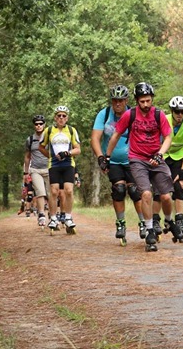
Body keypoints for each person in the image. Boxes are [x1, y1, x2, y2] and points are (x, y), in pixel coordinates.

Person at [102, 82, 173, 252]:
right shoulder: (130, 115)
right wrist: (107, 156)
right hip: (137, 159)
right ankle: (149, 230)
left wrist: (160, 154)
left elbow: (168, 137)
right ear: (136, 101)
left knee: (166, 197)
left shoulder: (158, 115)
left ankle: (169, 220)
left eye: (148, 101)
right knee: (145, 193)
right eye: (142, 102)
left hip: (156, 158)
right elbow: (116, 135)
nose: (146, 105)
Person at [91, 84, 144, 245]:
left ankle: (143, 223)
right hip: (112, 160)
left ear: (126, 100)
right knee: (119, 190)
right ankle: (120, 223)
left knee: (135, 191)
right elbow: (95, 138)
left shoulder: (134, 114)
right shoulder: (105, 114)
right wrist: (101, 157)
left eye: (121, 100)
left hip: (133, 159)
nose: (118, 104)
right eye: (115, 100)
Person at [39, 106, 82, 234]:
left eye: (63, 116)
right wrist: (51, 156)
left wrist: (67, 153)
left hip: (68, 164)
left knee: (68, 191)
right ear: (55, 118)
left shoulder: (71, 130)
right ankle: (53, 218)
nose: (61, 118)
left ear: (67, 118)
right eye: (59, 116)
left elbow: (78, 149)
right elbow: (41, 147)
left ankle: (68, 217)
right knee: (54, 192)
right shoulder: (49, 130)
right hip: (54, 165)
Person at [162, 95, 183, 242]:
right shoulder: (164, 120)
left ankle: (180, 219)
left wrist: (182, 172)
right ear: (172, 111)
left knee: (178, 186)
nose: (180, 115)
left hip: (178, 156)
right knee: (160, 189)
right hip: (163, 155)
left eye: (182, 111)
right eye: (177, 112)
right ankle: (156, 220)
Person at [23, 114, 50, 228]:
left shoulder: (49, 137)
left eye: (40, 124)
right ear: (34, 126)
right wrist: (25, 172)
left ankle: (54, 215)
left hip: (49, 169)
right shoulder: (30, 139)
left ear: (44, 125)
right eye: (36, 124)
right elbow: (27, 157)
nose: (38, 126)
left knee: (51, 194)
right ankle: (42, 215)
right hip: (35, 169)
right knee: (40, 192)